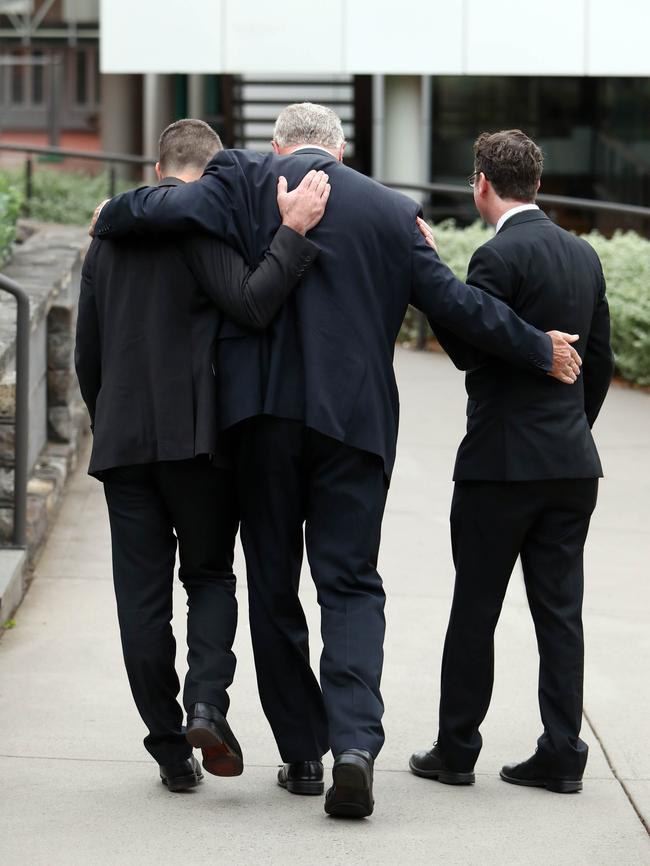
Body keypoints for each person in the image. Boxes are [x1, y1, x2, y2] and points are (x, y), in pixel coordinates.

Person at [91, 104, 582, 818]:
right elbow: (453, 305)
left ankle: (301, 756)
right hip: (353, 423)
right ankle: (355, 745)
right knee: (350, 584)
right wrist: (540, 348)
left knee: (273, 587)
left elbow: (157, 207)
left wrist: (111, 210)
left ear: (279, 145)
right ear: (342, 152)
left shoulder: (242, 177)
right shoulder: (388, 210)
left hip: (260, 425)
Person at [75, 118, 330, 793]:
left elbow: (86, 354)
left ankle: (169, 751)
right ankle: (206, 702)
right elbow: (251, 305)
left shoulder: (105, 240)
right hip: (197, 443)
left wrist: (110, 425)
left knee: (140, 600)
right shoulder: (201, 231)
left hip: (124, 444)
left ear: (157, 166)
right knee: (210, 576)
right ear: (211, 171)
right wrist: (292, 238)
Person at [409, 129, 614, 794]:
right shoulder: (583, 255)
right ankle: (562, 752)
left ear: (481, 184)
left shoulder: (498, 257)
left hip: (500, 465)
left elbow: (470, 350)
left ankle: (457, 750)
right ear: (538, 183)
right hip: (571, 465)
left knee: (476, 608)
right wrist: (571, 432)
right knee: (561, 613)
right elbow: (600, 365)